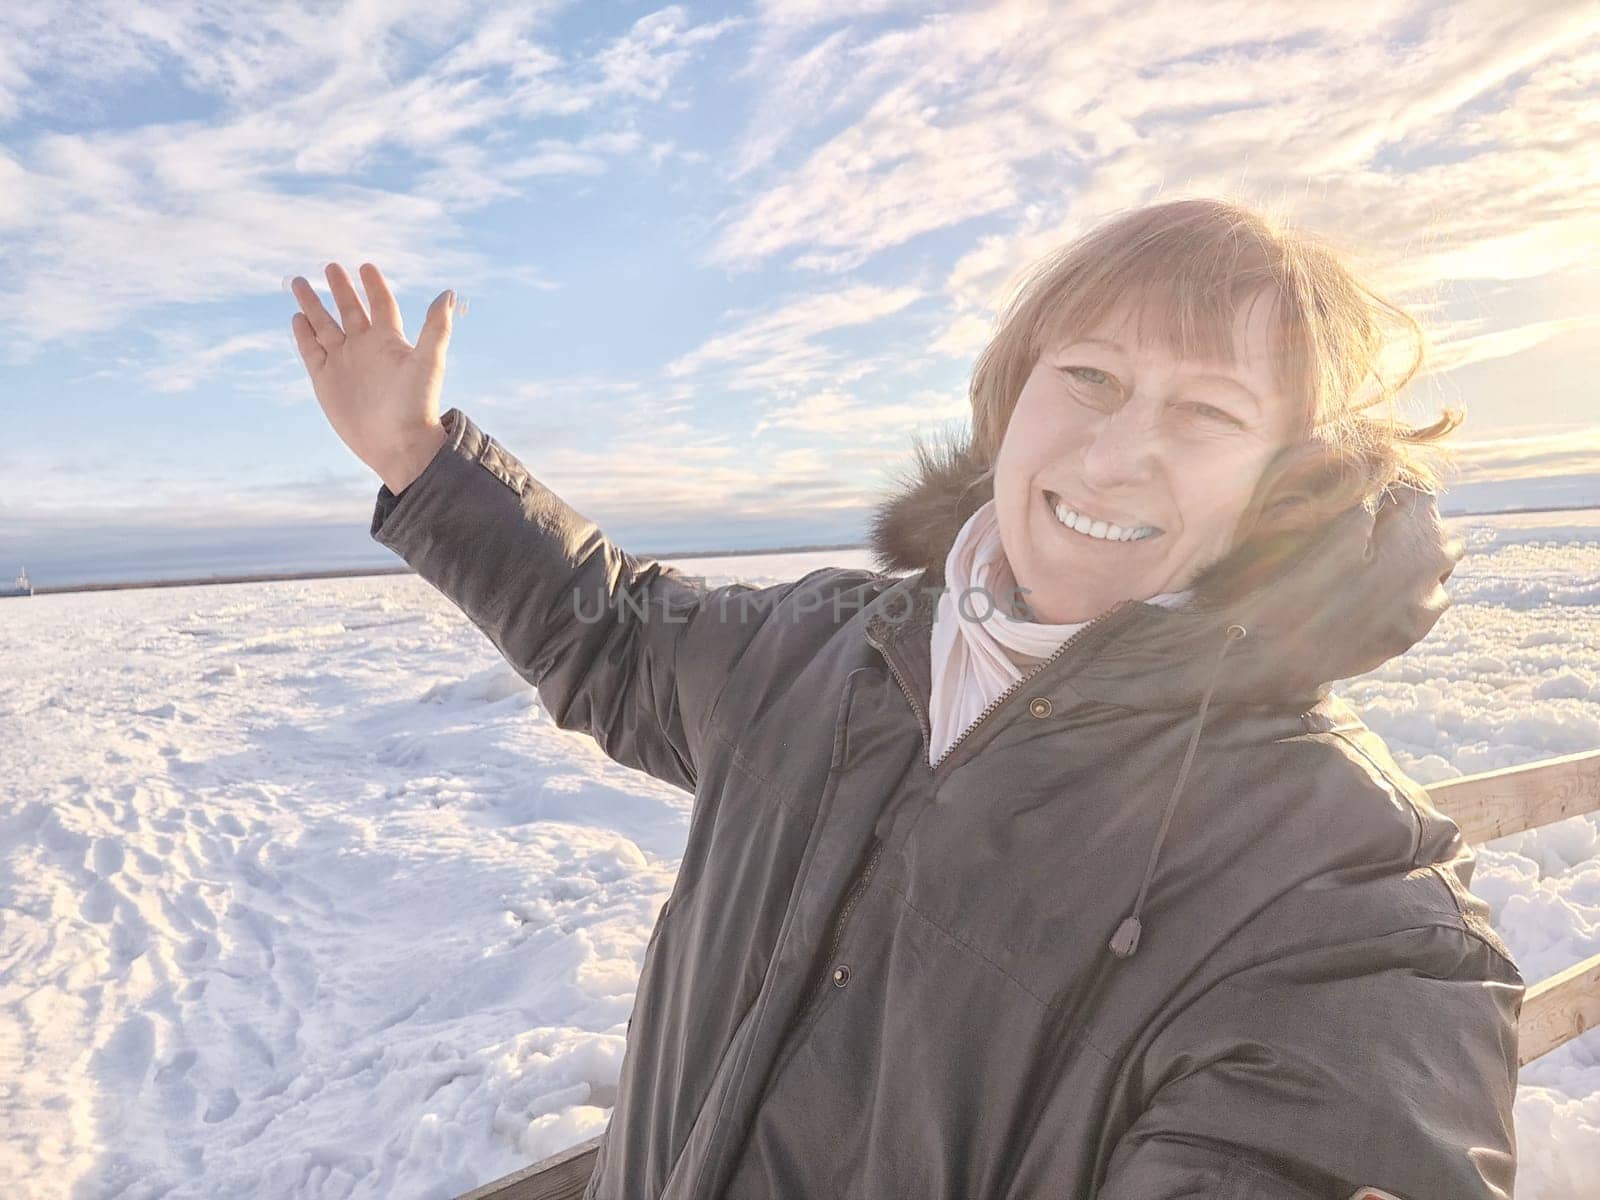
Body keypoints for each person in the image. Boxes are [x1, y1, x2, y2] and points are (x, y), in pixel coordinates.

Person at [290, 196, 1523, 1200]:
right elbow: (609, 631)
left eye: (1207, 411)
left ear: (1287, 486)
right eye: (1089, 376)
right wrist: (419, 457)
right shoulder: (825, 645)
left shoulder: (1342, 893)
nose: (1116, 450)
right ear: (1012, 400)